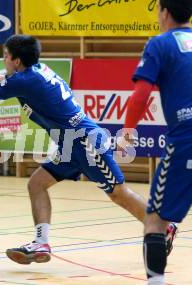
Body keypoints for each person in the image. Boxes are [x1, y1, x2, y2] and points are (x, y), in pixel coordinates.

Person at [0, 34, 176, 265]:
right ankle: (41, 244)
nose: (4, 60)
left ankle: (163, 228)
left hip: (85, 142)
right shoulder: (33, 71)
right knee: (36, 184)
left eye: (5, 55)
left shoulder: (26, 80)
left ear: (16, 60)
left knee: (118, 194)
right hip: (69, 145)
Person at [120, 0, 192, 284]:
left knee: (155, 221)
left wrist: (128, 131)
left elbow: (142, 94)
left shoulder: (160, 44)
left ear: (164, 13)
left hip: (185, 140)